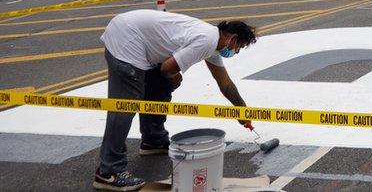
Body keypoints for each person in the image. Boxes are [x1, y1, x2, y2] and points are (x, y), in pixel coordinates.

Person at [94, 10, 257, 191]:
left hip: (135, 37)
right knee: (125, 104)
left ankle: (153, 140)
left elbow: (225, 84)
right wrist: (173, 76)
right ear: (232, 39)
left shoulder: (212, 43)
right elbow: (166, 69)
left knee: (159, 86)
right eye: (238, 47)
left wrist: (242, 110)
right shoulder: (206, 41)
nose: (236, 52)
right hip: (126, 37)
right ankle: (109, 170)